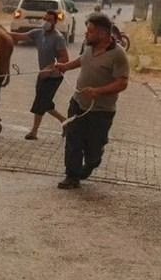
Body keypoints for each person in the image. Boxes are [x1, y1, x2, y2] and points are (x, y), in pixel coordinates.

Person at [54, 12, 129, 189]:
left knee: (93, 148)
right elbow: (83, 60)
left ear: (103, 34)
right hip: (78, 103)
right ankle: (72, 176)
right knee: (73, 139)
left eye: (90, 31)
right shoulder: (88, 45)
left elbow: (122, 82)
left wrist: (98, 91)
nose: (86, 34)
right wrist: (66, 66)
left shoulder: (118, 54)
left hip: (101, 110)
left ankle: (91, 163)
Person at [9, 10, 69, 140]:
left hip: (54, 76)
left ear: (55, 22)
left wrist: (49, 69)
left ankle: (35, 131)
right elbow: (20, 36)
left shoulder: (58, 38)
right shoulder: (38, 33)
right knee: (44, 103)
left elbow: (64, 59)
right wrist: (1, 32)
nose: (46, 22)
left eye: (49, 20)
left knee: (41, 102)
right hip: (42, 75)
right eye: (45, 19)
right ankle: (64, 122)